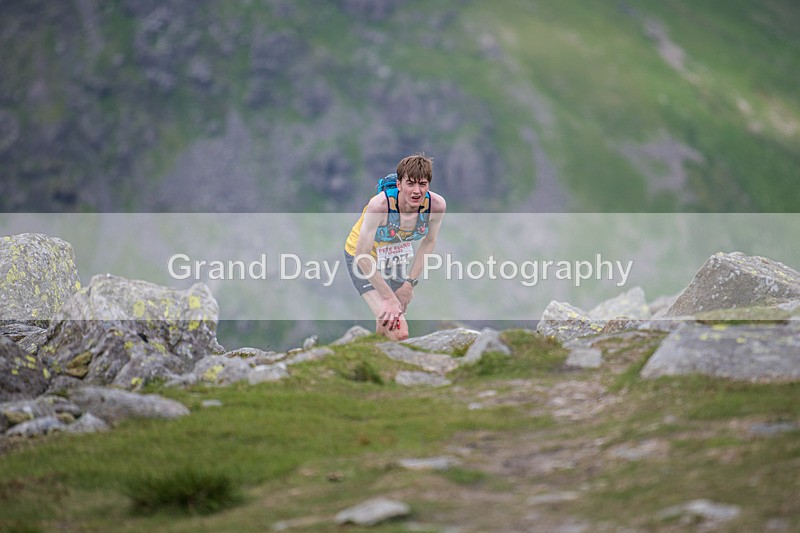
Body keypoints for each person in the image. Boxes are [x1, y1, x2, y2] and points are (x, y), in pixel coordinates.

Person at [344, 154, 446, 341]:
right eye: (410, 183)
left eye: (422, 184)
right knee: (399, 331)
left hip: (395, 258)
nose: (416, 191)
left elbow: (429, 242)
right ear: (399, 185)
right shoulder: (379, 206)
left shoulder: (436, 206)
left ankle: (376, 362)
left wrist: (409, 284)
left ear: (428, 185)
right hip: (363, 259)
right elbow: (362, 255)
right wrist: (389, 298)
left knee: (385, 320)